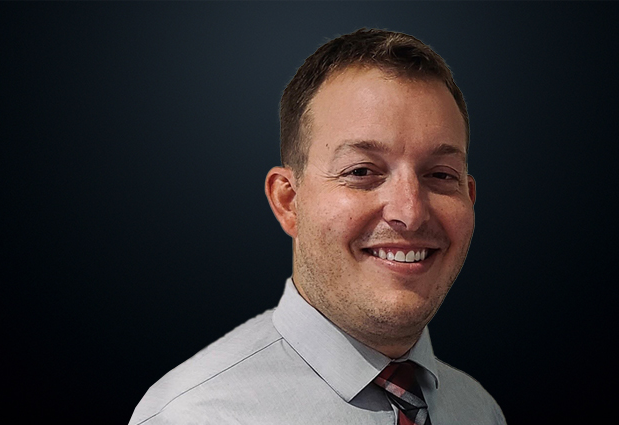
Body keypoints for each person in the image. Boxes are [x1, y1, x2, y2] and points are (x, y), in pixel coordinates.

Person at [129, 28, 506, 425]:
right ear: (288, 201)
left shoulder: (479, 410)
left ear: (469, 197)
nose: (410, 212)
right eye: (361, 171)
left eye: (441, 175)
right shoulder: (196, 415)